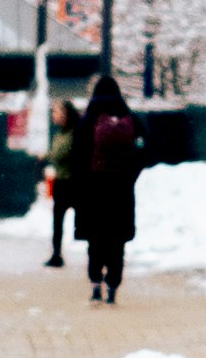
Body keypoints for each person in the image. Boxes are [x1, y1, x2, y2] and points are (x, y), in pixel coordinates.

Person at [65, 73, 144, 311]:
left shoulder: (87, 121)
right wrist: (128, 177)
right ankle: (113, 287)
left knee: (96, 240)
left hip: (93, 192)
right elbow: (144, 152)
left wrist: (81, 184)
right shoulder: (131, 119)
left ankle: (95, 284)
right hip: (120, 192)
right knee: (117, 241)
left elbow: (76, 157)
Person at [43, 98, 80, 268]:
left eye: (56, 112)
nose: (54, 115)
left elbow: (58, 154)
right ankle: (56, 253)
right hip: (61, 181)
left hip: (73, 181)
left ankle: (95, 254)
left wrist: (50, 155)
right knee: (57, 221)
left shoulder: (74, 133)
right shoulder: (59, 134)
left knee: (82, 220)